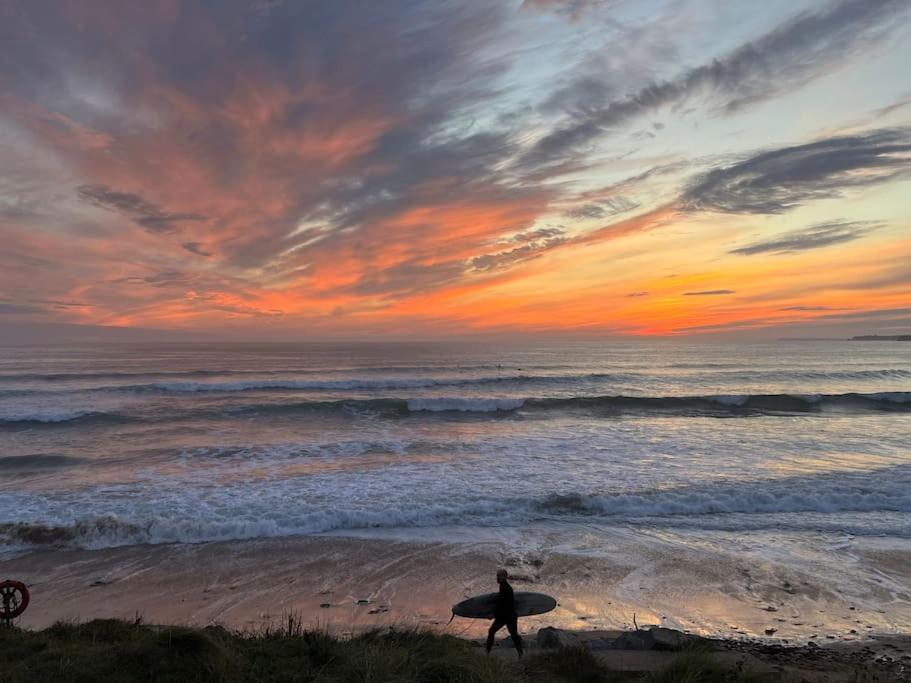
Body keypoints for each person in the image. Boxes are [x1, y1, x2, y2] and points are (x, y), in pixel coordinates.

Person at [485, 569, 523, 657]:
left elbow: (504, 605)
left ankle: (487, 652)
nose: (497, 578)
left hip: (508, 616)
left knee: (492, 631)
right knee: (513, 635)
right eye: (497, 576)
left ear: (505, 577)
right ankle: (520, 653)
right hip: (508, 616)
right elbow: (501, 604)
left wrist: (493, 615)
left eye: (500, 576)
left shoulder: (506, 588)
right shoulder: (503, 586)